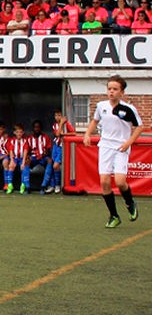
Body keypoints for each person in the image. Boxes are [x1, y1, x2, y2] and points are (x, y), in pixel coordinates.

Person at [83, 75, 143, 228]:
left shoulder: (129, 109)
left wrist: (128, 142)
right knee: (104, 182)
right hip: (105, 146)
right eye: (109, 88)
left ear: (122, 92)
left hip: (121, 147)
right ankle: (114, 216)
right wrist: (87, 134)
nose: (111, 92)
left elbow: (139, 127)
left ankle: (130, 203)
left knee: (120, 182)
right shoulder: (101, 106)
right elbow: (95, 121)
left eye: (115, 89)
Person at [51, 110, 75, 194]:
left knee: (56, 165)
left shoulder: (66, 124)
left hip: (62, 147)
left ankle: (58, 185)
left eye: (59, 115)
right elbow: (57, 134)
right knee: (53, 166)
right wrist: (60, 127)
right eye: (56, 115)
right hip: (55, 146)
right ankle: (53, 185)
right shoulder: (54, 125)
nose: (57, 117)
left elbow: (74, 133)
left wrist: (64, 134)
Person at [28, 120, 54, 194]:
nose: (37, 129)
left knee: (49, 161)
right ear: (33, 128)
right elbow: (27, 151)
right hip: (33, 158)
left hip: (43, 157)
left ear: (41, 128)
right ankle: (27, 186)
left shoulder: (46, 137)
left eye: (38, 127)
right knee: (26, 161)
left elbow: (48, 150)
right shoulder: (29, 138)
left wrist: (42, 155)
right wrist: (28, 157)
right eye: (35, 127)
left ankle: (43, 186)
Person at [5, 124, 30, 195]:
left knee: (24, 167)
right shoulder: (12, 140)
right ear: (14, 132)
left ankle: (23, 185)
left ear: (23, 133)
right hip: (15, 158)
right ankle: (10, 185)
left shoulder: (25, 141)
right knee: (11, 166)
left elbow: (25, 151)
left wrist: (23, 162)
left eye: (20, 132)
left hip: (22, 158)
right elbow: (11, 151)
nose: (19, 134)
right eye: (17, 132)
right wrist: (12, 161)